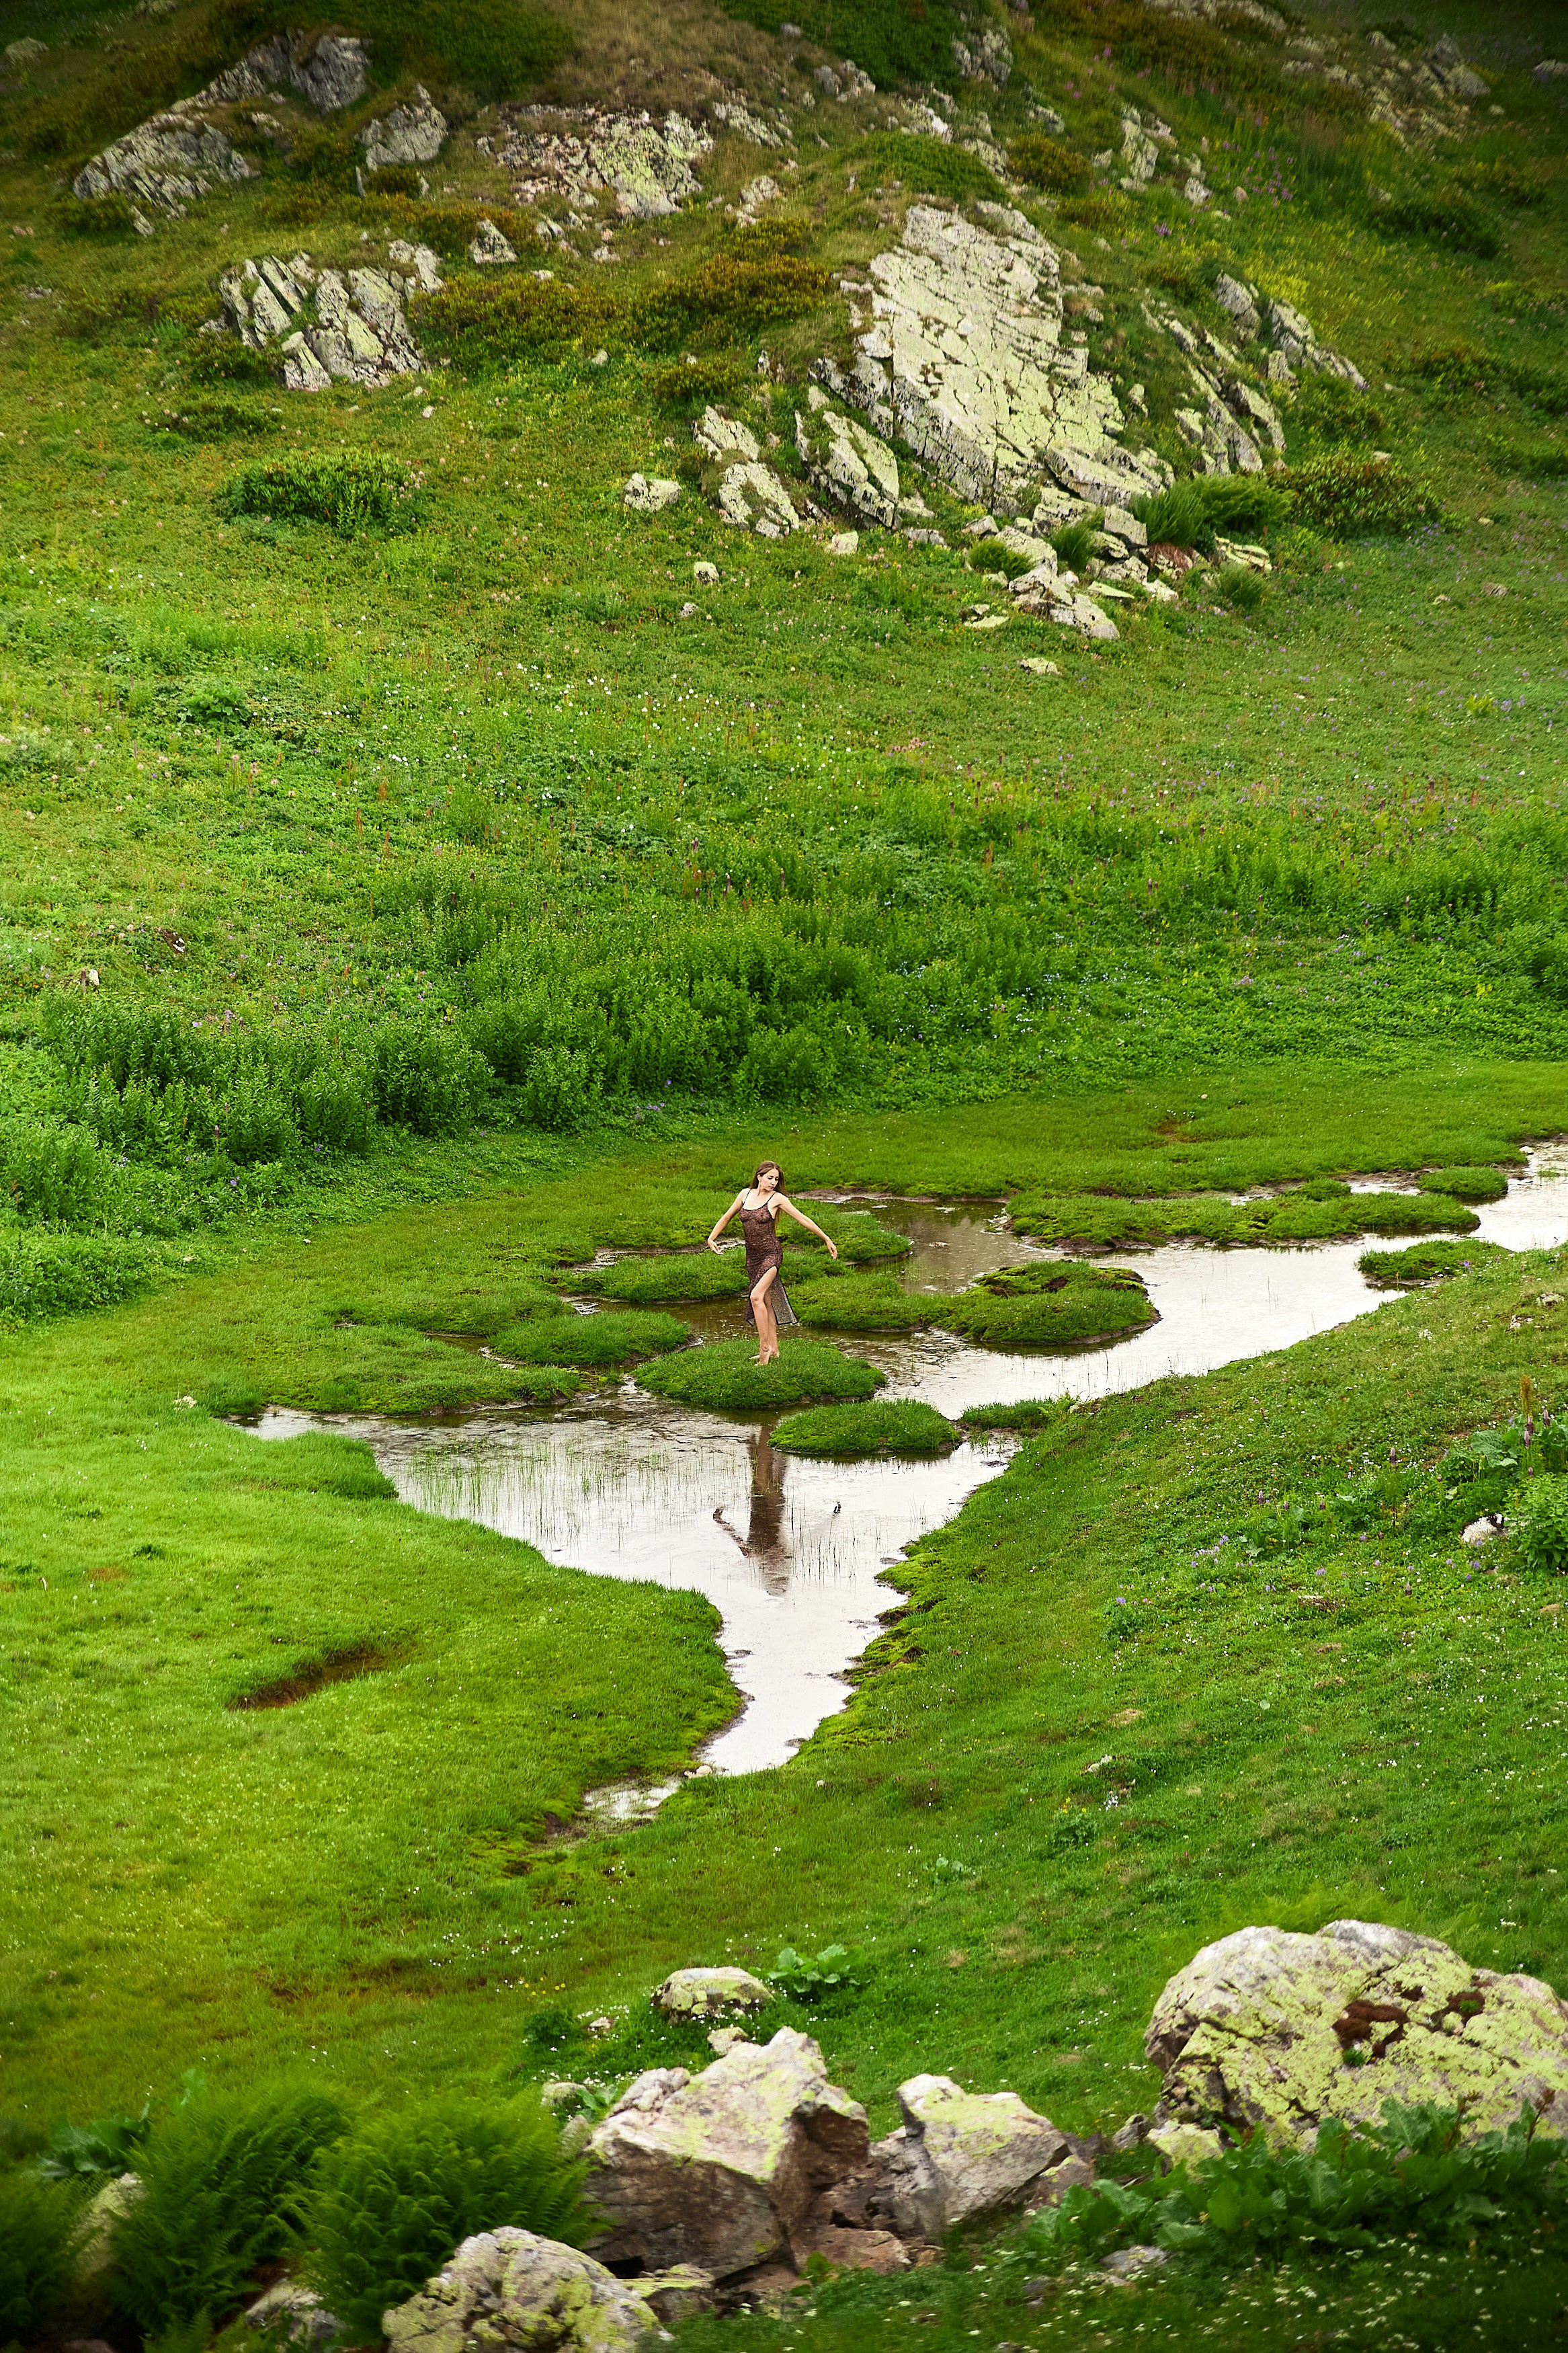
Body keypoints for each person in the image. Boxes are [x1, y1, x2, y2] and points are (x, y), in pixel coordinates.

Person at [706, 1160, 839, 1366]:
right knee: (767, 1302)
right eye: (770, 1178)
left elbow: (802, 1218)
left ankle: (764, 1350)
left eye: (776, 1180)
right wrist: (711, 1238)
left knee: (756, 1297)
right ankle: (775, 1349)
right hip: (752, 1257)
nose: (773, 1183)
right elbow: (727, 1217)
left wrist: (826, 1238)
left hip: (772, 1254)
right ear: (759, 1176)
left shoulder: (777, 1199)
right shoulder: (745, 1194)